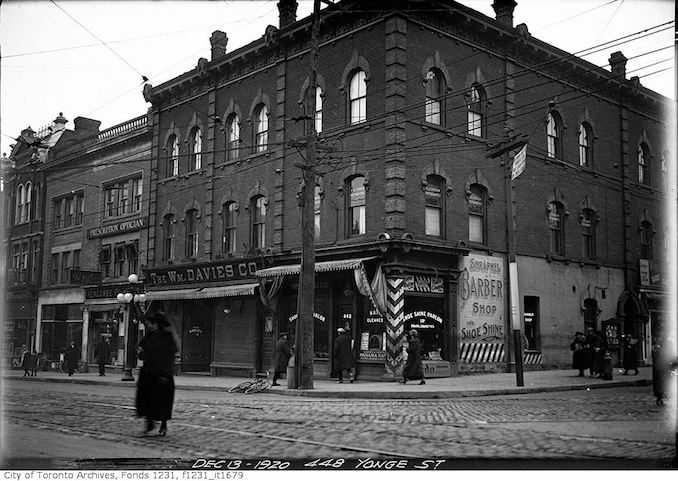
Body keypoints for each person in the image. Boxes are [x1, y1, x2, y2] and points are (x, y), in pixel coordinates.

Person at [136, 311, 178, 436]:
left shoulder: (167, 336)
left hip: (162, 372)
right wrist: (141, 352)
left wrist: (165, 373)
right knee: (147, 399)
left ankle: (163, 424)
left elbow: (170, 355)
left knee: (163, 400)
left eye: (152, 323)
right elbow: (142, 355)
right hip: (148, 373)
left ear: (158, 324)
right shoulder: (148, 336)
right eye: (149, 323)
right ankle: (149, 424)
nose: (150, 325)